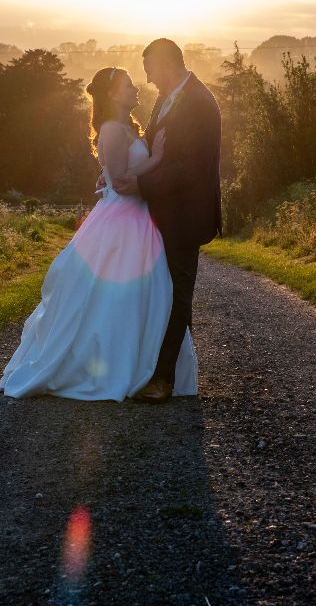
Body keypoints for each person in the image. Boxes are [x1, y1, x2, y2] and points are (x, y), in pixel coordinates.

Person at [0, 65, 198, 401]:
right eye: (128, 86)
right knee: (113, 295)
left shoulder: (128, 127)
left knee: (146, 293)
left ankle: (142, 364)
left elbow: (118, 174)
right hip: (122, 219)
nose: (136, 89)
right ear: (112, 94)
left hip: (139, 220)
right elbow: (123, 183)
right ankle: (105, 366)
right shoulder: (111, 129)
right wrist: (159, 160)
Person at [112, 38, 222, 404]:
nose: (149, 80)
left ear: (167, 65)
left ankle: (164, 380)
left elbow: (192, 168)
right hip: (162, 213)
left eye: (151, 71)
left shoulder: (201, 103)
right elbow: (155, 144)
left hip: (186, 216)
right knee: (161, 291)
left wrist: (141, 183)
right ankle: (158, 369)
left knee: (178, 295)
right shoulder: (169, 97)